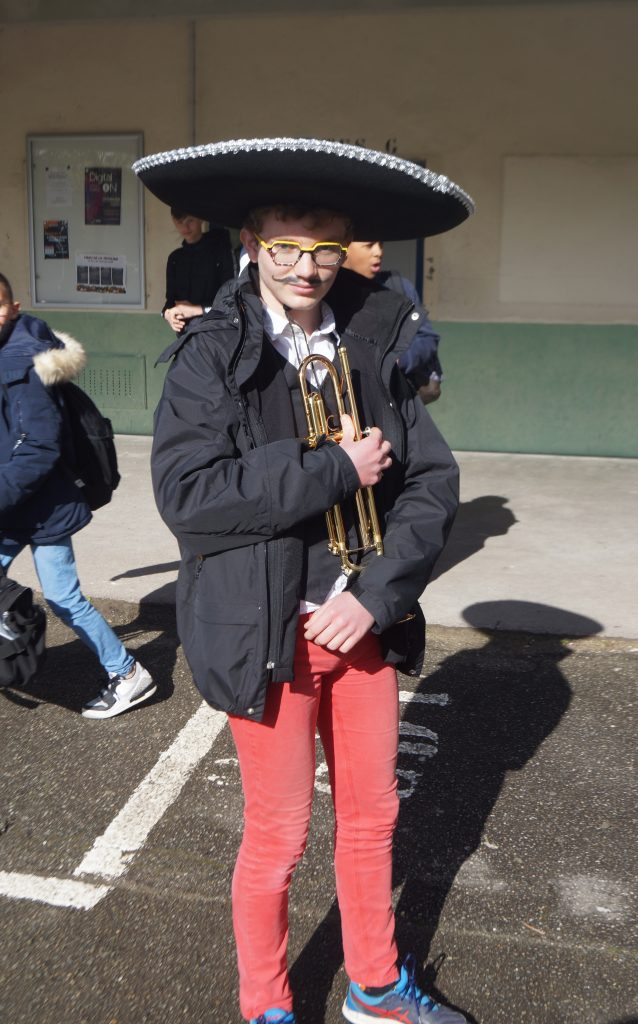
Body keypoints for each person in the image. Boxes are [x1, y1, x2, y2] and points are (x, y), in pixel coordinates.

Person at [135, 138, 474, 1024]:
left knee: (373, 818)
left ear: (345, 247)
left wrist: (377, 597)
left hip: (359, 626)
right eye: (285, 246)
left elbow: (432, 484)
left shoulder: (375, 337)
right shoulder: (212, 353)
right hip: (267, 634)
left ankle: (373, 986)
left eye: (325, 246)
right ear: (253, 244)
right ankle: (267, 1006)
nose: (306, 267)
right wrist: (331, 469)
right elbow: (189, 495)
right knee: (278, 837)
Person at [0, 273, 155, 719]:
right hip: (16, 505)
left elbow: (38, 446)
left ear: (14, 308)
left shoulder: (23, 365)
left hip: (43, 508)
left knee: (64, 597)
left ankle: (128, 675)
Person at [344, 240, 443, 403]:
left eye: (381, 244)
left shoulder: (399, 287)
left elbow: (427, 338)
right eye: (369, 245)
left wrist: (399, 359)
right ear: (344, 247)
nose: (378, 252)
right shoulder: (324, 293)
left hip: (397, 402)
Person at [162, 208, 237, 333]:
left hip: (215, 333)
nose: (185, 227)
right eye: (179, 222)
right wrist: (167, 314)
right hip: (185, 336)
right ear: (173, 220)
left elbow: (231, 301)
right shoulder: (175, 259)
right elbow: (170, 302)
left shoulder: (220, 252)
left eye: (190, 221)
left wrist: (196, 309)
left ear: (200, 218)